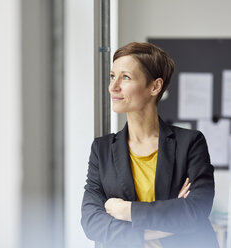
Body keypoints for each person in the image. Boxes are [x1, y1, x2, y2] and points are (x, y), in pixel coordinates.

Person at [81, 42, 219, 248]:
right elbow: (91, 222)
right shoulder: (102, 150)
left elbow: (195, 211)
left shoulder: (190, 143)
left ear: (154, 86)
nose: (113, 86)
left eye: (125, 77)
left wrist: (125, 211)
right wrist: (164, 224)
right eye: (112, 76)